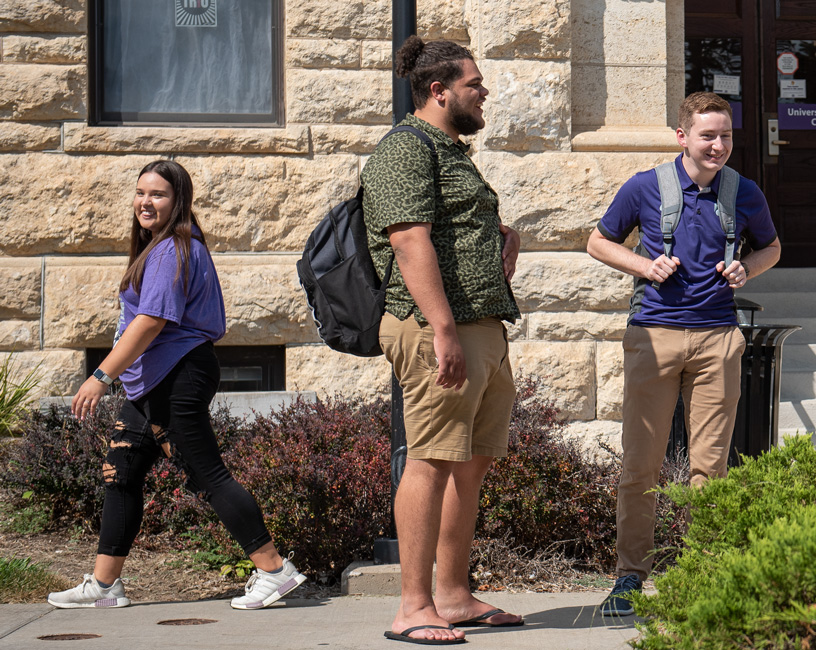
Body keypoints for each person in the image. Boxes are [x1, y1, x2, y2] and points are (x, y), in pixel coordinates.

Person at [49, 160, 307, 611]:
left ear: (178, 201)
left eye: (158, 194)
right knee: (122, 472)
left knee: (206, 473)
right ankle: (106, 586)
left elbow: (150, 322)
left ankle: (274, 570)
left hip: (177, 375)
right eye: (140, 192)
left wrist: (100, 376)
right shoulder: (157, 247)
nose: (146, 202)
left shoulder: (175, 248)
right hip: (150, 381)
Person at [586, 92, 781, 616]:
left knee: (710, 466)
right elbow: (598, 242)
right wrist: (644, 267)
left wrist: (748, 269)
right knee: (641, 465)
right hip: (654, 335)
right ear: (682, 137)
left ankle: (704, 573)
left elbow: (772, 247)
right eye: (708, 136)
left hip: (719, 336)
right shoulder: (645, 186)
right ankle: (630, 578)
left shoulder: (745, 192)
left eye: (727, 136)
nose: (719, 146)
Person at [363, 36, 524, 645]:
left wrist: (500, 237)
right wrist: (443, 331)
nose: (484, 93)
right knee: (430, 460)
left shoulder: (449, 150)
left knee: (471, 462)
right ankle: (412, 606)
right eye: (475, 84)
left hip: (480, 327)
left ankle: (454, 596)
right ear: (440, 91)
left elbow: (451, 227)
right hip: (437, 329)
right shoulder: (405, 149)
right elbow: (409, 241)